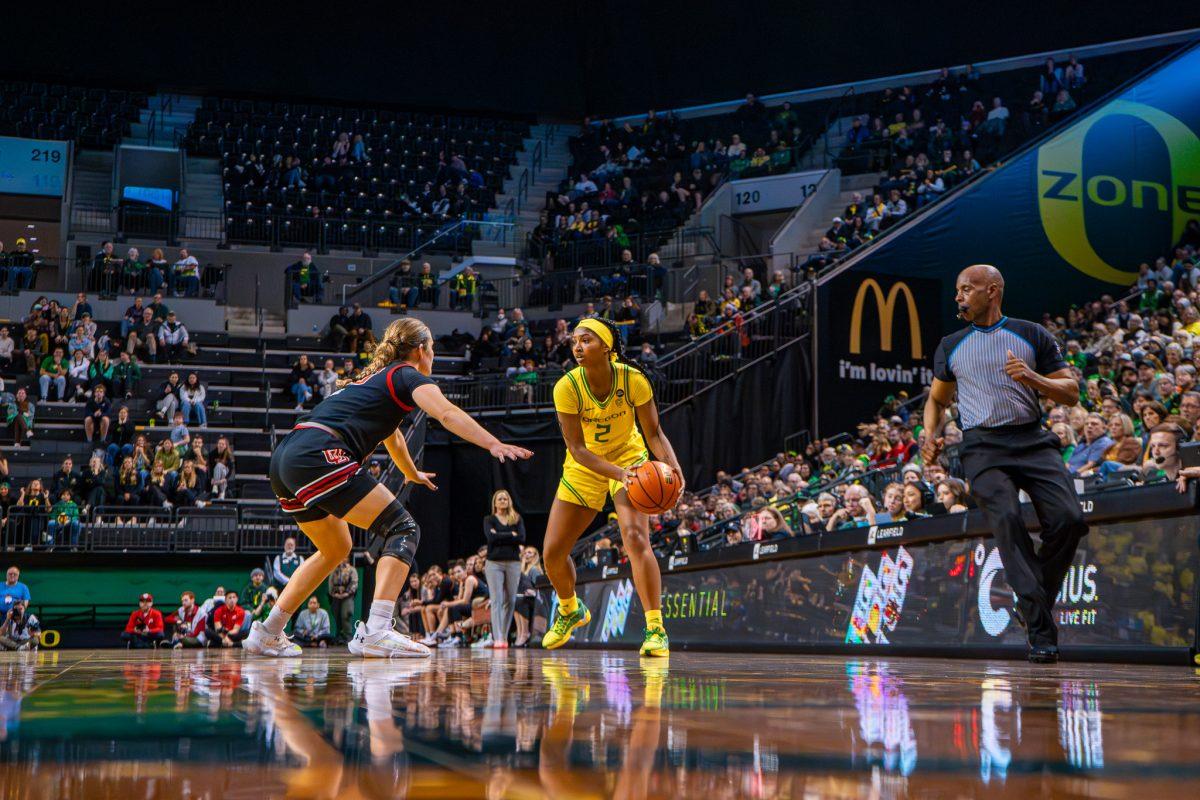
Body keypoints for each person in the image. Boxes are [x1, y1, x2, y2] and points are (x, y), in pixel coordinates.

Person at [251, 317, 532, 659]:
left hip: (286, 458)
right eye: (433, 350)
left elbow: (393, 437)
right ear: (420, 349)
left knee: (336, 548)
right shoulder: (406, 375)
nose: (434, 357)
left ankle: (269, 632)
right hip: (318, 453)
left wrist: (411, 472)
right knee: (403, 527)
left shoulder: (370, 382)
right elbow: (445, 413)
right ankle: (378, 630)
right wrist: (492, 444)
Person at [923, 264, 1086, 664]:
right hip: (982, 447)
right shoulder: (951, 344)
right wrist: (930, 436)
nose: (958, 297)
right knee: (1008, 520)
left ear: (992, 291)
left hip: (1033, 439)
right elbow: (937, 401)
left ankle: (1033, 602)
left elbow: (1071, 393)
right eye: (957, 290)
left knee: (1069, 519)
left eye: (966, 289)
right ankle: (1041, 630)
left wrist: (1034, 378)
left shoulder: (1032, 333)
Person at [542, 317, 684, 657]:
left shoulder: (633, 379)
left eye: (586, 340)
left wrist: (674, 471)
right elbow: (577, 449)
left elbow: (653, 433)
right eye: (574, 341)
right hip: (585, 466)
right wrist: (619, 474)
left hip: (630, 457)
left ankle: (655, 629)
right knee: (552, 554)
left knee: (635, 538)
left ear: (607, 346)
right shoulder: (566, 386)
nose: (577, 346)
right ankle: (570, 609)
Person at [482, 489, 525, 649]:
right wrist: (511, 535)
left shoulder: (517, 518)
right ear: (495, 502)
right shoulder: (489, 519)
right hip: (494, 563)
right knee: (497, 600)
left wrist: (500, 534)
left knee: (511, 600)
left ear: (509, 501)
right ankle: (498, 637)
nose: (502, 501)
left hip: (513, 562)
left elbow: (521, 537)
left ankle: (504, 635)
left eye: (505, 499)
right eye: (499, 499)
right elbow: (491, 538)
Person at [327, 558, 358, 644]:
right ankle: (339, 636)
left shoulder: (352, 570)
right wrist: (334, 593)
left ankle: (348, 635)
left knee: (346, 615)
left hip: (347, 597)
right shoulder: (334, 570)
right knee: (336, 615)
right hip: (336, 596)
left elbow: (354, 582)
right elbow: (330, 582)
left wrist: (347, 593)